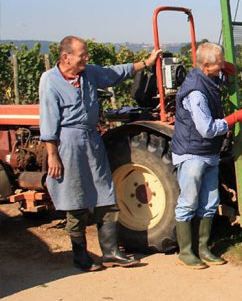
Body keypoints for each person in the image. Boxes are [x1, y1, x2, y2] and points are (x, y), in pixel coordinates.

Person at [39, 35, 158, 271]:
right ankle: (80, 255)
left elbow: (115, 73)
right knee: (75, 198)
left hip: (92, 139)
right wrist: (52, 154)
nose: (87, 58)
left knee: (105, 191)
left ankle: (111, 252)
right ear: (66, 57)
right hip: (68, 142)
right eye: (82, 54)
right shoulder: (50, 81)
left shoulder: (89, 73)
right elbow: (48, 119)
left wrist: (146, 63)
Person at [171, 42, 242, 269]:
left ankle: (204, 249)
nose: (222, 67)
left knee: (209, 202)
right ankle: (186, 252)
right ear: (205, 66)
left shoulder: (208, 78)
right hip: (192, 153)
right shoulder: (196, 92)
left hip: (208, 153)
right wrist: (234, 118)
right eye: (219, 64)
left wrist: (226, 72)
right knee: (188, 202)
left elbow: (218, 80)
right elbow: (206, 129)